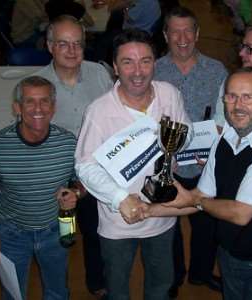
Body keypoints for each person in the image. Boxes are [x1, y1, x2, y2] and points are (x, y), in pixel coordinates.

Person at [146, 66, 252, 300]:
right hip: (229, 255)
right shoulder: (224, 140)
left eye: (248, 97)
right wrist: (148, 211)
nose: (238, 105)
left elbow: (240, 213)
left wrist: (194, 199)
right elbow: (201, 195)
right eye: (231, 96)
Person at [75, 28, 191, 299]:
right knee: (117, 288)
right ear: (115, 67)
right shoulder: (99, 111)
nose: (138, 71)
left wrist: (176, 143)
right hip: (118, 221)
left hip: (162, 213)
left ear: (155, 63)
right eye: (128, 62)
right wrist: (120, 198)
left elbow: (186, 130)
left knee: (161, 284)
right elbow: (84, 165)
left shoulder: (169, 94)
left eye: (145, 61)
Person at [0, 76, 79, 299]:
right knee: (12, 294)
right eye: (30, 102)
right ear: (17, 108)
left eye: (44, 101)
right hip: (11, 234)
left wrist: (76, 193)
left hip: (56, 229)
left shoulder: (69, 143)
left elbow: (81, 182)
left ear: (53, 107)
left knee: (58, 292)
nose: (38, 108)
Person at [34, 15, 113, 299]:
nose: (71, 51)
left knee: (94, 230)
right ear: (50, 46)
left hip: (93, 170)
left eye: (77, 44)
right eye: (63, 44)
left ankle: (97, 282)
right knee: (60, 236)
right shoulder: (37, 84)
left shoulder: (100, 74)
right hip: (57, 172)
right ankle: (57, 286)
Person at [154, 6, 227, 297]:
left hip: (203, 162)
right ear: (165, 35)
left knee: (206, 224)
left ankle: (201, 272)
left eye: (188, 31)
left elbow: (225, 114)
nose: (182, 38)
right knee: (166, 225)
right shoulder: (154, 70)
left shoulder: (217, 70)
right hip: (165, 164)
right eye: (175, 31)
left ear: (197, 34)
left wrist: (216, 138)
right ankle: (172, 277)